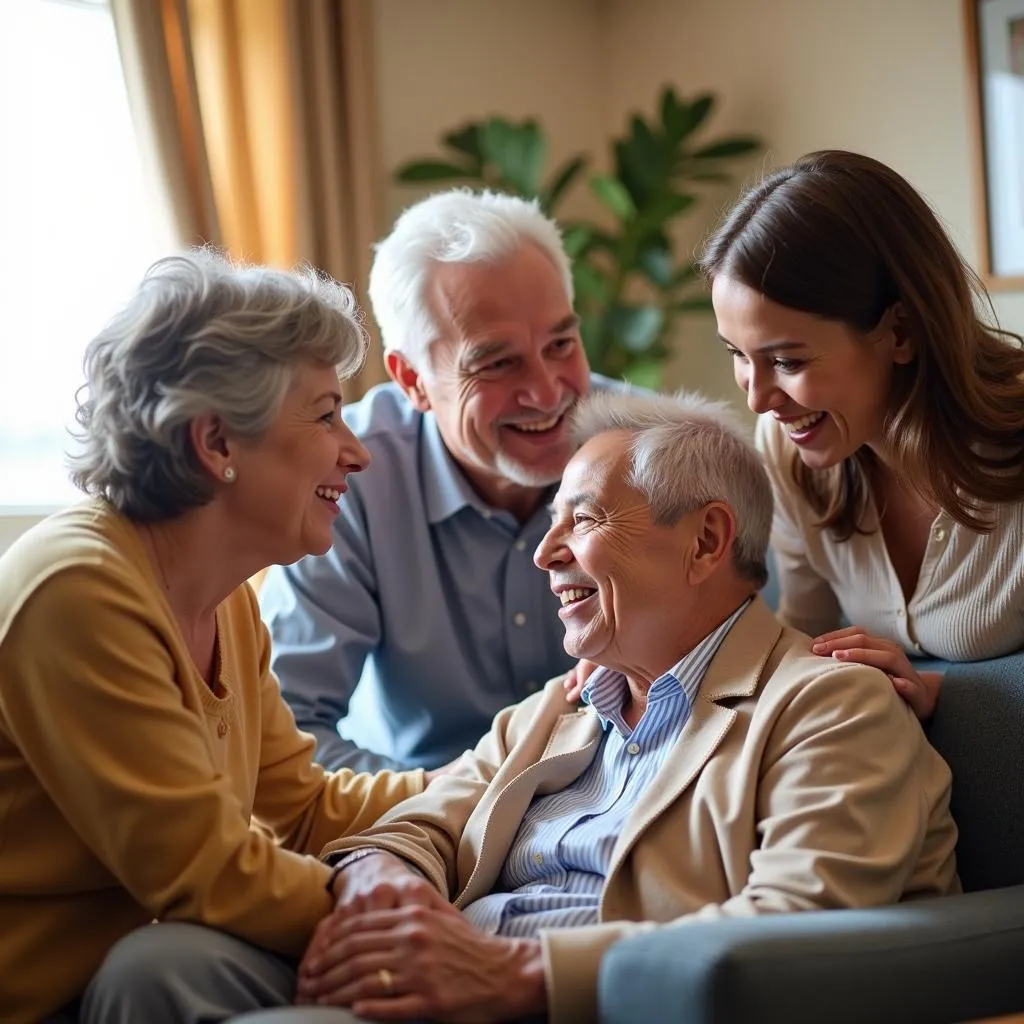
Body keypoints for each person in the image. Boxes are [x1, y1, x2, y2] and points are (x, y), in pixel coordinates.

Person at [269, 389, 958, 1024]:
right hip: (438, 987)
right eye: (550, 523)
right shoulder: (559, 707)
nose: (543, 554)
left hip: (589, 1005)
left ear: (707, 541)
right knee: (187, 971)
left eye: (584, 519)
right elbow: (422, 825)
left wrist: (517, 972)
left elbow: (797, 930)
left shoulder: (830, 707)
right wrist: (380, 880)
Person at [0, 252, 428, 1024]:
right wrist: (378, 899)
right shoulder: (77, 589)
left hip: (139, 981)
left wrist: (495, 779)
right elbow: (206, 871)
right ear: (218, 443)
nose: (356, 451)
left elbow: (307, 812)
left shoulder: (227, 606)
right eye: (328, 414)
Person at [259, 188, 609, 773]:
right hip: (419, 812)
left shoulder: (653, 452)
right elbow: (285, 731)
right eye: (497, 363)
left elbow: (733, 681)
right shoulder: (347, 477)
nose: (548, 393)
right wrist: (448, 808)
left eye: (561, 345)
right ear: (412, 379)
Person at [702, 149, 1024, 720]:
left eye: (788, 361)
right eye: (738, 356)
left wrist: (940, 694)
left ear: (900, 330)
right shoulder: (789, 448)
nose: (758, 398)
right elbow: (804, 639)